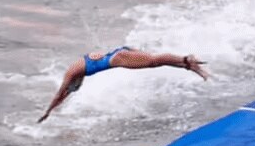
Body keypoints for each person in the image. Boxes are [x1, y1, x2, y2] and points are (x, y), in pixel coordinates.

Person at [37, 47, 210, 123]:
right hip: (119, 53)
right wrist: (55, 110)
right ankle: (189, 66)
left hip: (119, 58)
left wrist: (47, 112)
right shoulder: (78, 70)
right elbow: (65, 95)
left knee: (154, 60)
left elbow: (60, 94)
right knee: (155, 62)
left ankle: (187, 59)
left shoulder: (71, 74)